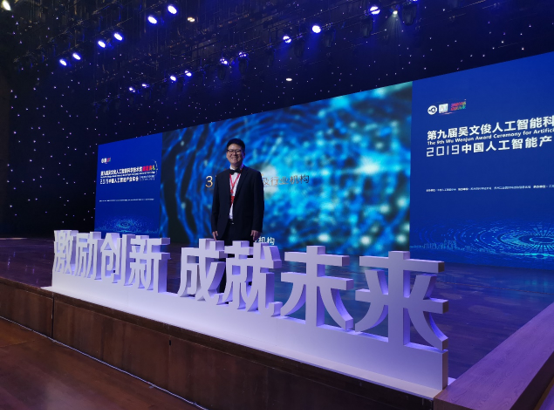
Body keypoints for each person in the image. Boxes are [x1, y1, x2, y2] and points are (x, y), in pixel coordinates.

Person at [211, 138, 264, 292]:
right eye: (231, 150)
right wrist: (214, 226)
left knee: (244, 266)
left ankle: (245, 297)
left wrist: (256, 226)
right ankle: (224, 296)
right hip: (224, 229)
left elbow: (258, 204)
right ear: (226, 154)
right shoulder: (220, 177)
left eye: (238, 150)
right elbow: (216, 205)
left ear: (244, 153)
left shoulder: (254, 175)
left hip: (245, 228)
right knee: (224, 265)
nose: (234, 153)